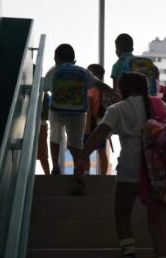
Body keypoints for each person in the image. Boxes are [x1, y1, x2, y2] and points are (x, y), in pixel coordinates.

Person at [75, 72, 166, 258]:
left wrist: (82, 157)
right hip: (158, 169)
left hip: (130, 167)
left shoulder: (118, 108)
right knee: (158, 220)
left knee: (122, 213)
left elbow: (99, 134)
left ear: (123, 89)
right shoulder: (160, 105)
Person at [44, 44, 111, 175]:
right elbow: (97, 83)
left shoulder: (53, 71)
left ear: (56, 59)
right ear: (74, 60)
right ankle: (78, 174)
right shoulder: (83, 71)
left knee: (55, 138)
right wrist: (112, 91)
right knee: (77, 144)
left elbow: (44, 88)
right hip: (78, 113)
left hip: (57, 111)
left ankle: (55, 167)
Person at [83, 64, 109, 175]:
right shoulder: (104, 89)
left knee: (85, 151)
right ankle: (103, 176)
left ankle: (87, 174)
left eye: (89, 73)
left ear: (95, 75)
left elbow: (88, 109)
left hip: (91, 123)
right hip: (102, 122)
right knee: (102, 151)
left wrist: (86, 128)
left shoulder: (91, 88)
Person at [111, 33, 134, 102]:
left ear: (118, 49)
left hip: (123, 102)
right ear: (132, 49)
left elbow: (115, 91)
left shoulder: (117, 65)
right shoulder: (140, 63)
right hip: (141, 102)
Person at [37, 92, 50, 175]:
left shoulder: (44, 94)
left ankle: (47, 175)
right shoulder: (45, 93)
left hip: (41, 125)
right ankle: (47, 175)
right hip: (42, 125)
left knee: (43, 155)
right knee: (43, 155)